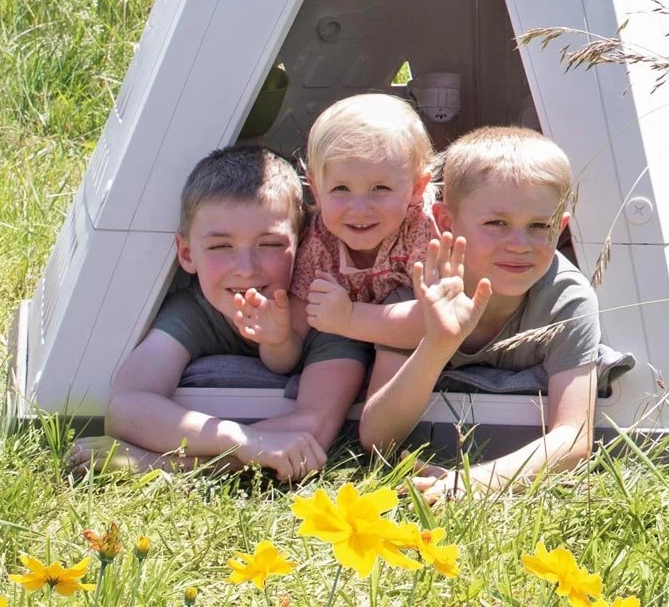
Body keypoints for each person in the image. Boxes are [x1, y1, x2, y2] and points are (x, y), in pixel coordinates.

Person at [95, 145, 370, 482]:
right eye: (221, 246)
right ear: (187, 254)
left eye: (270, 244)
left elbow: (313, 430)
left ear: (302, 246)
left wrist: (157, 463)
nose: (246, 269)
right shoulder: (196, 310)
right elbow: (125, 408)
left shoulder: (330, 312)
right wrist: (243, 441)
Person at [358, 126, 600, 503]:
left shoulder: (565, 299)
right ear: (446, 221)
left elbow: (574, 437)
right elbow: (377, 437)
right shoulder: (421, 289)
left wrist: (472, 483)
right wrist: (436, 344)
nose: (519, 245)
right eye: (496, 223)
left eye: (540, 226)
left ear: (562, 227)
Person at [236, 93, 435, 361]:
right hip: (342, 342)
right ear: (317, 190)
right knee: (329, 355)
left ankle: (381, 391)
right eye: (341, 188)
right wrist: (277, 341)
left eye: (380, 188)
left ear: (417, 187)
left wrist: (349, 318)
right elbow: (288, 356)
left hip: (409, 350)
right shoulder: (318, 243)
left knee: (401, 305)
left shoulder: (423, 229)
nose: (360, 208)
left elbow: (435, 325)